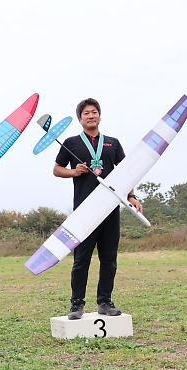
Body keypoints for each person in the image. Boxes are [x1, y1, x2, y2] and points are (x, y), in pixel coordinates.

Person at [53, 98, 143, 320]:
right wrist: (75, 172)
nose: (90, 116)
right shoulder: (71, 143)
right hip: (85, 212)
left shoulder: (113, 143)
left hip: (110, 208)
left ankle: (105, 301)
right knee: (81, 260)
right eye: (86, 113)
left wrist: (131, 196)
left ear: (100, 116)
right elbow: (57, 169)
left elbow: (127, 172)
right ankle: (76, 304)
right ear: (80, 119)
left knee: (109, 259)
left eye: (94, 112)